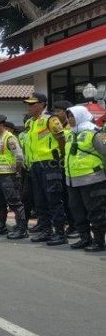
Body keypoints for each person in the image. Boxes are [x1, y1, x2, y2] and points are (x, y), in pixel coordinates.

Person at [23, 93, 68, 244]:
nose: (29, 107)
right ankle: (46, 230)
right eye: (28, 104)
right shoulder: (32, 123)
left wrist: (59, 158)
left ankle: (60, 233)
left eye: (32, 104)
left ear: (42, 104)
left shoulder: (51, 119)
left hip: (49, 164)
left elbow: (61, 139)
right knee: (40, 201)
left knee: (54, 200)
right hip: (35, 166)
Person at [64, 106, 106, 252]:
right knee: (77, 211)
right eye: (68, 116)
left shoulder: (94, 133)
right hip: (72, 181)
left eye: (72, 116)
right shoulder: (71, 134)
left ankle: (99, 241)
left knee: (96, 211)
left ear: (81, 116)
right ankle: (84, 238)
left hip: (92, 179)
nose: (69, 119)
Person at [0, 115, 28, 239]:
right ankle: (1, 226)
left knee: (14, 202)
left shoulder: (9, 138)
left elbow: (19, 157)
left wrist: (15, 172)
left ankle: (22, 229)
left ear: (1, 125)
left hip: (8, 175)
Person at [52, 100, 80, 239]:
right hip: (62, 167)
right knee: (64, 197)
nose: (56, 114)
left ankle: (76, 226)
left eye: (59, 111)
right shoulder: (58, 126)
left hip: (75, 169)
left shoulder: (73, 127)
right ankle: (71, 223)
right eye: (55, 111)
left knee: (73, 199)